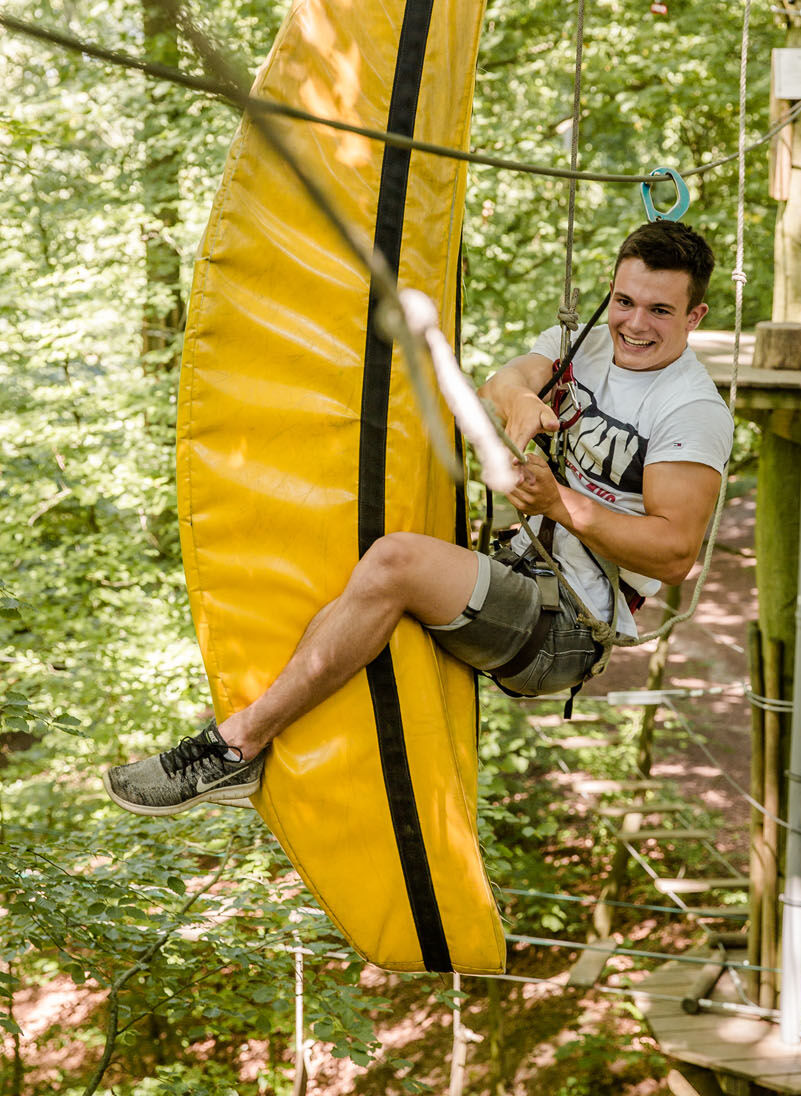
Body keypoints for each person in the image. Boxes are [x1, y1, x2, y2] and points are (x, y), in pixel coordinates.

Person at [104, 221, 733, 816]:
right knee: (356, 547)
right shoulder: (588, 341)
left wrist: (559, 505)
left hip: (569, 626)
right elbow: (504, 381)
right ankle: (268, 729)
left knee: (396, 561)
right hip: (522, 569)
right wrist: (519, 403)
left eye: (660, 311)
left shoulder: (690, 410)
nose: (635, 323)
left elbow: (675, 552)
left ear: (694, 316)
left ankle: (234, 748)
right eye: (625, 301)